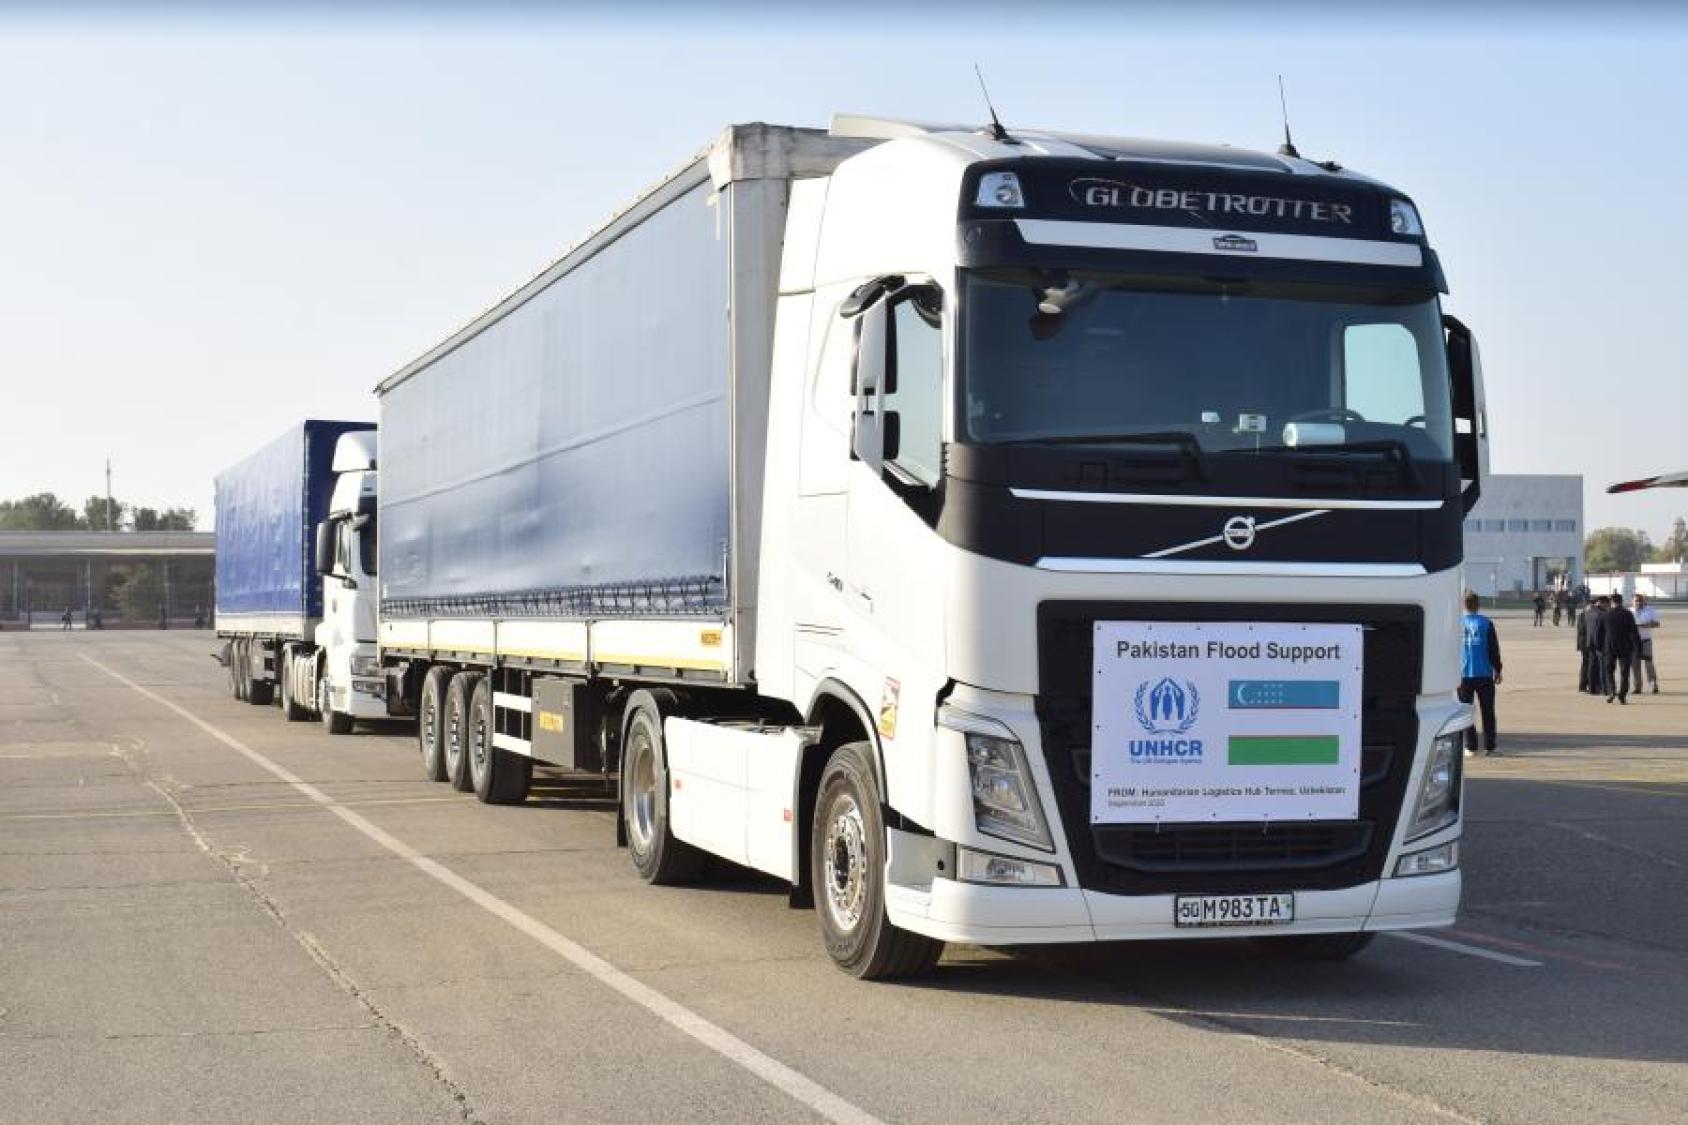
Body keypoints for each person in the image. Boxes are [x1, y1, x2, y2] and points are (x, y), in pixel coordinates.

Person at [1459, 590, 1503, 756]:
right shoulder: (1486, 624)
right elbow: (1493, 650)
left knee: (1466, 711)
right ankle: (1490, 746)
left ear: (1463, 605)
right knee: (1488, 711)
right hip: (1484, 674)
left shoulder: (1457, 624)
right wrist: (1498, 669)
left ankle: (1471, 746)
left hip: (1463, 675)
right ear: (1478, 605)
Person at [1601, 594, 1642, 704]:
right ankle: (1622, 695)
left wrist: (1601, 646)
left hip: (1609, 646)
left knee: (1609, 671)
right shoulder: (1627, 614)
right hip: (1625, 646)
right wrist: (1638, 647)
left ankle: (1611, 691)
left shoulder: (1605, 614)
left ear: (1612, 602)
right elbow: (1634, 632)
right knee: (1624, 672)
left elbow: (1600, 632)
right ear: (1621, 601)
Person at [1631, 593, 1661, 694]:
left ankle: (1653, 685)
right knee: (1635, 664)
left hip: (1646, 640)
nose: (1638, 603)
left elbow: (1657, 624)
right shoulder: (1629, 611)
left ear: (1643, 601)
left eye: (1640, 600)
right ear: (1632, 602)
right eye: (1636, 601)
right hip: (1633, 642)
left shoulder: (1650, 610)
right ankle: (1637, 687)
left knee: (1649, 664)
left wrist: (1646, 625)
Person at [1576, 595, 1606, 694]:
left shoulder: (1585, 613)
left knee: (1587, 664)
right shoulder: (1586, 614)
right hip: (1587, 643)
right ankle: (1586, 685)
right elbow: (1582, 629)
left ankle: (1584, 685)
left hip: (1586, 642)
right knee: (1589, 664)